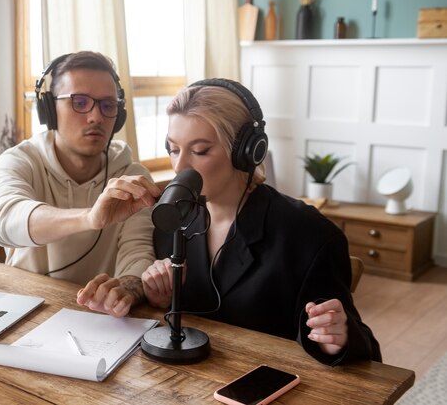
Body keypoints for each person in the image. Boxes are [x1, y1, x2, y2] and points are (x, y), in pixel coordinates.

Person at [141, 78, 382, 365]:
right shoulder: (171, 218)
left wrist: (337, 338)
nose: (180, 167)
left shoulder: (310, 236)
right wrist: (162, 299)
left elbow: (367, 354)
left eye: (200, 150)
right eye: (173, 149)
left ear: (246, 152)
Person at [0, 51, 160, 317]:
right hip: (24, 313)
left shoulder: (131, 176)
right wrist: (89, 218)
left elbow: (138, 253)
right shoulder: (19, 162)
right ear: (49, 109)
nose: (96, 117)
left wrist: (126, 289)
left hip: (101, 320)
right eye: (79, 102)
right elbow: (5, 221)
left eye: (107, 105)